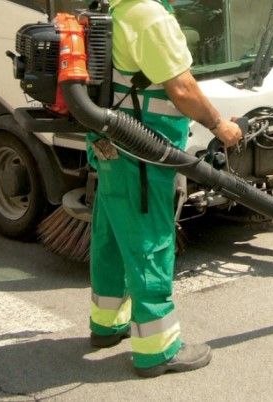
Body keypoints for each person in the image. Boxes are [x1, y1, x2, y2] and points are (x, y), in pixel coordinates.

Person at [85, 0, 242, 378]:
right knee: (149, 241)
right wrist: (220, 125)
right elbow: (182, 89)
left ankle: (107, 323)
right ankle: (158, 350)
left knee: (110, 235)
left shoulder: (112, 8)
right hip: (142, 150)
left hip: (111, 145)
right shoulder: (149, 17)